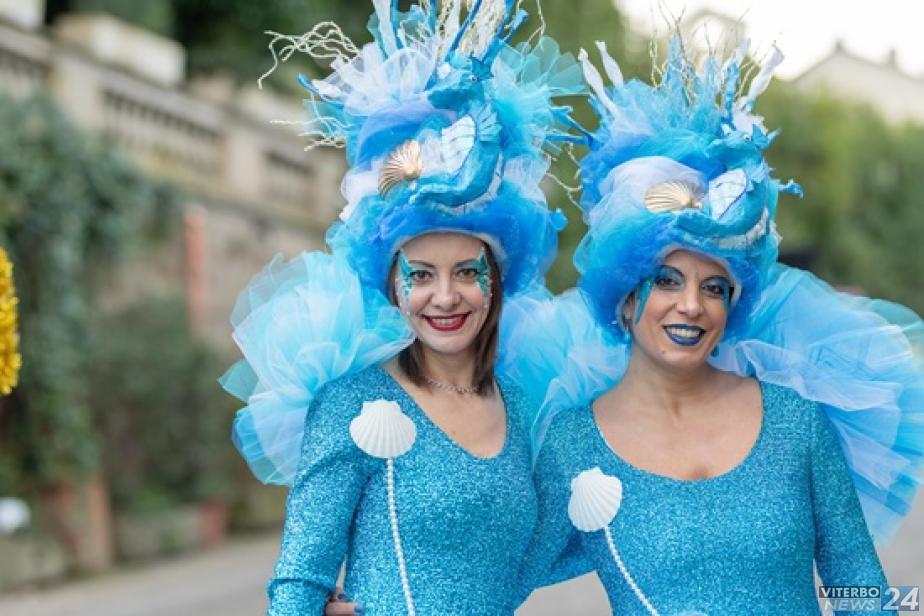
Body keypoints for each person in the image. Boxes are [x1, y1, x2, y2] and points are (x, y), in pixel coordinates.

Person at [506, 38, 924, 614]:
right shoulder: (572, 443)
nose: (691, 306)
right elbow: (491, 578)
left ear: (733, 304)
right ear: (626, 298)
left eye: (714, 287)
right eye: (669, 281)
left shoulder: (795, 421)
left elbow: (860, 588)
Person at [220, 1, 583, 614]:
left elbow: (557, 547)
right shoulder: (351, 402)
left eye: (467, 272)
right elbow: (297, 585)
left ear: (496, 281)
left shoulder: (525, 410)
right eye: (421, 275)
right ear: (393, 285)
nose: (445, 296)